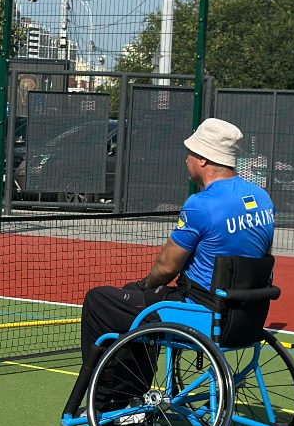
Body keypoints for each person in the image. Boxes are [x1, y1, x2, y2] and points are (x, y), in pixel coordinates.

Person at [77, 118, 275, 409]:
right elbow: (262, 257)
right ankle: (127, 393)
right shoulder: (262, 198)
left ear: (204, 160)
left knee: (102, 301)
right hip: (246, 314)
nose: (187, 159)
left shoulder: (200, 205)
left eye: (191, 153)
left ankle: (111, 403)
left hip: (201, 314)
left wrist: (143, 284)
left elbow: (167, 268)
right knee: (142, 303)